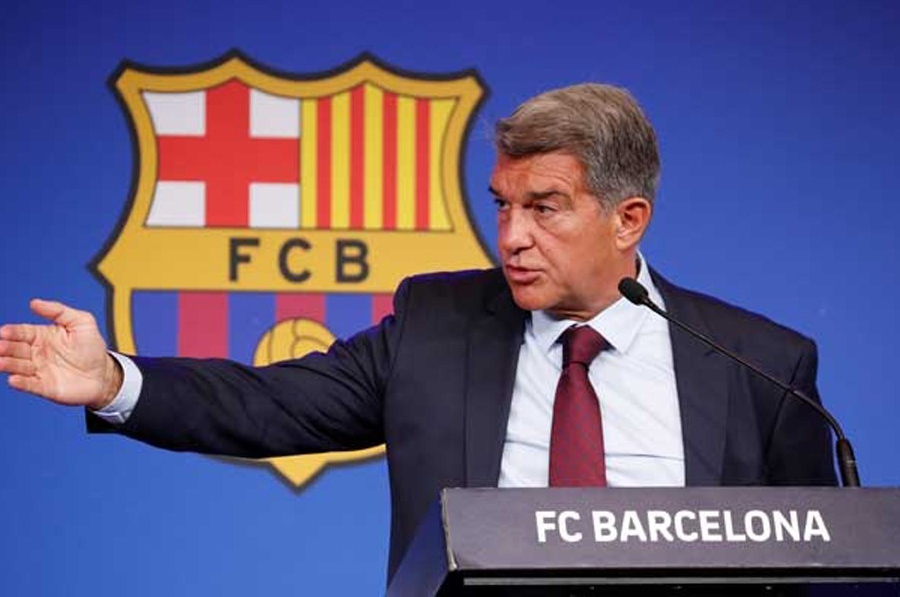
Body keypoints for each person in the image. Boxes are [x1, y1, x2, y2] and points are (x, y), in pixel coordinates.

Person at [0, 83, 836, 581]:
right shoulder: (437, 325)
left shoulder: (760, 363)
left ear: (628, 219)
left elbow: (823, 570)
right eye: (502, 205)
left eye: (543, 209)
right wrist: (114, 381)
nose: (510, 237)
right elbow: (270, 406)